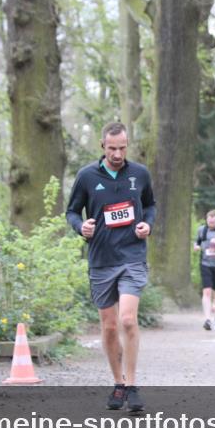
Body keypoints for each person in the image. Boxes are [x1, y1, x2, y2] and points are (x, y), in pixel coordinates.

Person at [66, 122, 155, 412]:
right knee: (109, 326)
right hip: (101, 260)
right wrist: (81, 226)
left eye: (122, 148)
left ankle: (133, 386)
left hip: (132, 256)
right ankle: (118, 383)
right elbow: (72, 211)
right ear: (102, 146)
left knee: (127, 319)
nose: (117, 154)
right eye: (112, 148)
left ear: (127, 146)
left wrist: (147, 224)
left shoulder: (140, 174)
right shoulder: (87, 176)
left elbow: (150, 205)